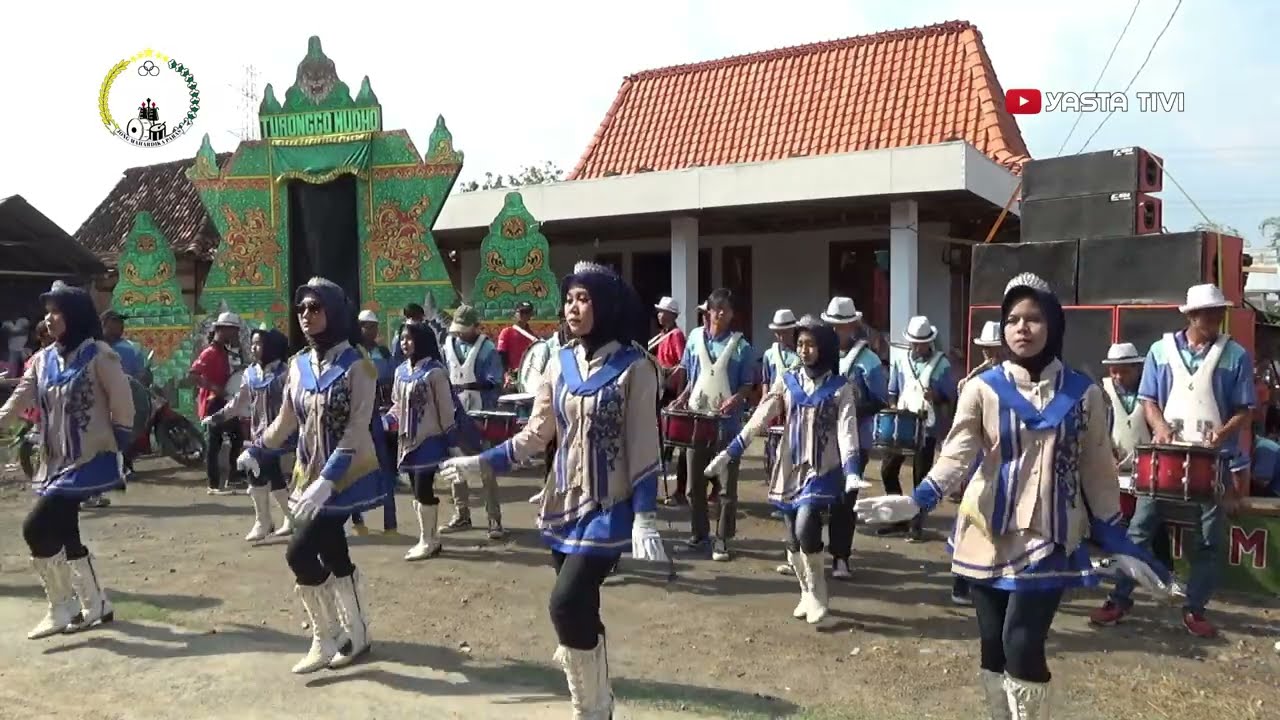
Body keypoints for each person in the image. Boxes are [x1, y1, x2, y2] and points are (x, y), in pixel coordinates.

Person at [855, 272, 1171, 718]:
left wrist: (1119, 541)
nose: (1022, 327)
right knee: (993, 646)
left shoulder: (1084, 395)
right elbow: (956, 455)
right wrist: (915, 500)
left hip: (1049, 535)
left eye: (1034, 318)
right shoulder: (982, 389)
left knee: (1021, 643)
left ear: (1053, 324)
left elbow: (1098, 472)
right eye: (1013, 319)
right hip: (985, 532)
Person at [438, 260, 663, 719]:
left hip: (609, 506)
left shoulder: (636, 367)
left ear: (605, 305)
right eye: (569, 299)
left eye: (584, 299)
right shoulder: (560, 363)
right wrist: (478, 462)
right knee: (582, 608)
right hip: (562, 502)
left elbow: (644, 443)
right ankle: (598, 698)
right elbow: (536, 435)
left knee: (565, 604)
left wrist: (645, 516)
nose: (572, 308)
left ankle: (591, 708)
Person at [1089, 283, 1254, 639]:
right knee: (1138, 530)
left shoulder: (1236, 355)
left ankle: (1195, 608)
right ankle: (1119, 599)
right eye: (1208, 314)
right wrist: (1161, 427)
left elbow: (1245, 409)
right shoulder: (1160, 351)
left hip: (1213, 460)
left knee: (1208, 539)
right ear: (1191, 316)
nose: (1214, 319)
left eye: (1218, 313)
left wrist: (1223, 433)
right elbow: (1148, 399)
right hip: (1165, 457)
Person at [237, 277, 383, 674]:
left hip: (343, 477)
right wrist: (258, 448)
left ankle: (328, 634)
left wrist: (328, 480)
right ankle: (356, 632)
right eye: (301, 308)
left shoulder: (359, 366)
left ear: (332, 312)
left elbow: (356, 430)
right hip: (308, 476)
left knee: (298, 551)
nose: (305, 315)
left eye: (314, 308)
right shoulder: (298, 365)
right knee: (333, 551)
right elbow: (286, 420)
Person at [0, 281, 133, 639]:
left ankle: (62, 606)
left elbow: (122, 404)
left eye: (57, 311)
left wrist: (117, 444)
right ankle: (96, 603)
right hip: (55, 461)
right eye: (48, 312)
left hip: (90, 458)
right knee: (65, 531)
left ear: (74, 315)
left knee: (35, 528)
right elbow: (19, 399)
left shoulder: (100, 355)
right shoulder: (42, 360)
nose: (49, 318)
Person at [707, 316, 861, 623]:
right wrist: (730, 451)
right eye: (800, 344)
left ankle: (818, 590)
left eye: (811, 344)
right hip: (789, 467)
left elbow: (847, 431)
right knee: (792, 539)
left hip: (821, 469)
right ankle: (805, 592)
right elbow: (761, 416)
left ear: (824, 347)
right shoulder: (788, 381)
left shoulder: (840, 388)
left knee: (806, 526)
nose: (804, 350)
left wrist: (852, 469)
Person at [670, 289, 756, 561]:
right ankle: (699, 535)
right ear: (706, 311)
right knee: (694, 486)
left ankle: (722, 539)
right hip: (697, 422)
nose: (719, 313)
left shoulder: (741, 347)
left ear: (731, 314)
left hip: (727, 426)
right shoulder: (694, 338)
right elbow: (691, 375)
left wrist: (735, 399)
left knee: (726, 488)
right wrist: (682, 397)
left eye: (725, 309)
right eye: (715, 308)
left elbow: (747, 384)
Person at [204, 327, 294, 541]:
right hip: (258, 435)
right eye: (252, 343)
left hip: (281, 435)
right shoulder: (250, 373)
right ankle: (280, 519)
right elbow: (238, 402)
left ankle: (269, 521)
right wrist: (217, 417)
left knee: (257, 470)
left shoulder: (286, 373)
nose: (254, 348)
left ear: (271, 347)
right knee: (265, 473)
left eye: (259, 344)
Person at [821, 296, 887, 578]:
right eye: (832, 326)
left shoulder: (869, 361)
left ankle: (841, 557)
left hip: (856, 440)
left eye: (842, 326)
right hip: (823, 438)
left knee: (845, 500)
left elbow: (880, 399)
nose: (836, 331)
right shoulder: (821, 354)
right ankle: (806, 553)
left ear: (852, 326)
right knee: (815, 496)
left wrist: (849, 408)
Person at [383, 322, 459, 561]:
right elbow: (397, 405)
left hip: (430, 439)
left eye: (409, 338)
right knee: (417, 491)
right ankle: (429, 538)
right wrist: (385, 421)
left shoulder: (435, 372)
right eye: (402, 339)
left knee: (422, 489)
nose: (404, 343)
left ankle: (428, 541)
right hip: (407, 441)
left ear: (422, 341)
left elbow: (446, 409)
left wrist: (452, 441)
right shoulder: (400, 371)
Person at [878, 315, 957, 541]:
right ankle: (898, 518)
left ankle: (916, 524)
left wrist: (936, 395)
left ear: (929, 341)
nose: (917, 346)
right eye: (914, 342)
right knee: (887, 470)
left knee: (920, 477)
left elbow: (951, 396)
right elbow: (892, 391)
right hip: (902, 424)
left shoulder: (941, 364)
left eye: (921, 343)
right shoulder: (901, 361)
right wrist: (894, 408)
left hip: (926, 426)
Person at [439, 304, 506, 539]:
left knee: (486, 466)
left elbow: (495, 382)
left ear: (475, 327)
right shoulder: (448, 346)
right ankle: (462, 514)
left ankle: (494, 519)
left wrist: (472, 387)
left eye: (464, 329)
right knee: (455, 463)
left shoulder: (487, 350)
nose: (459, 333)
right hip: (454, 412)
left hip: (480, 412)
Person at [948, 320, 1004, 605]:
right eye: (986, 350)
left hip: (1008, 462)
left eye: (995, 349)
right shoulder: (975, 381)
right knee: (972, 522)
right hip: (981, 461)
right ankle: (961, 585)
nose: (990, 356)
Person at [351, 309, 398, 536]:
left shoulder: (384, 352)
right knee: (353, 470)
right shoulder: (351, 353)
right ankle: (357, 521)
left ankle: (391, 524)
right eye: (365, 326)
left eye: (373, 327)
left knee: (386, 468)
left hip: (379, 417)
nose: (370, 331)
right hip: (357, 418)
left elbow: (392, 380)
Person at [190, 312, 245, 496]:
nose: (235, 334)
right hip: (212, 403)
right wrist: (214, 388)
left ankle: (233, 476)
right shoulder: (210, 353)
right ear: (222, 329)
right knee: (214, 444)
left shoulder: (223, 351)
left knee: (236, 436)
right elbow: (193, 375)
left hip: (222, 402)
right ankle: (213, 485)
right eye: (233, 330)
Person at [650, 297, 688, 501]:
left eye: (663, 312)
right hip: (661, 390)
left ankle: (672, 486)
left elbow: (682, 366)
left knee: (670, 437)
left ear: (672, 315)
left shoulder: (677, 336)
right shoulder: (661, 336)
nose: (659, 315)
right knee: (662, 436)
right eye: (659, 311)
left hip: (672, 393)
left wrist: (680, 395)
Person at [759, 309, 800, 478]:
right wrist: (764, 399)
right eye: (779, 333)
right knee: (773, 443)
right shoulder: (769, 354)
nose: (782, 336)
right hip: (775, 404)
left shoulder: (800, 353)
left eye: (786, 332)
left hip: (795, 405)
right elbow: (765, 380)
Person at [496, 301, 540, 389]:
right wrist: (506, 374)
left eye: (527, 312)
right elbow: (501, 356)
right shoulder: (507, 332)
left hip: (528, 376)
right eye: (521, 312)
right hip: (511, 376)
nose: (524, 315)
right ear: (515, 313)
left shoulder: (533, 336)